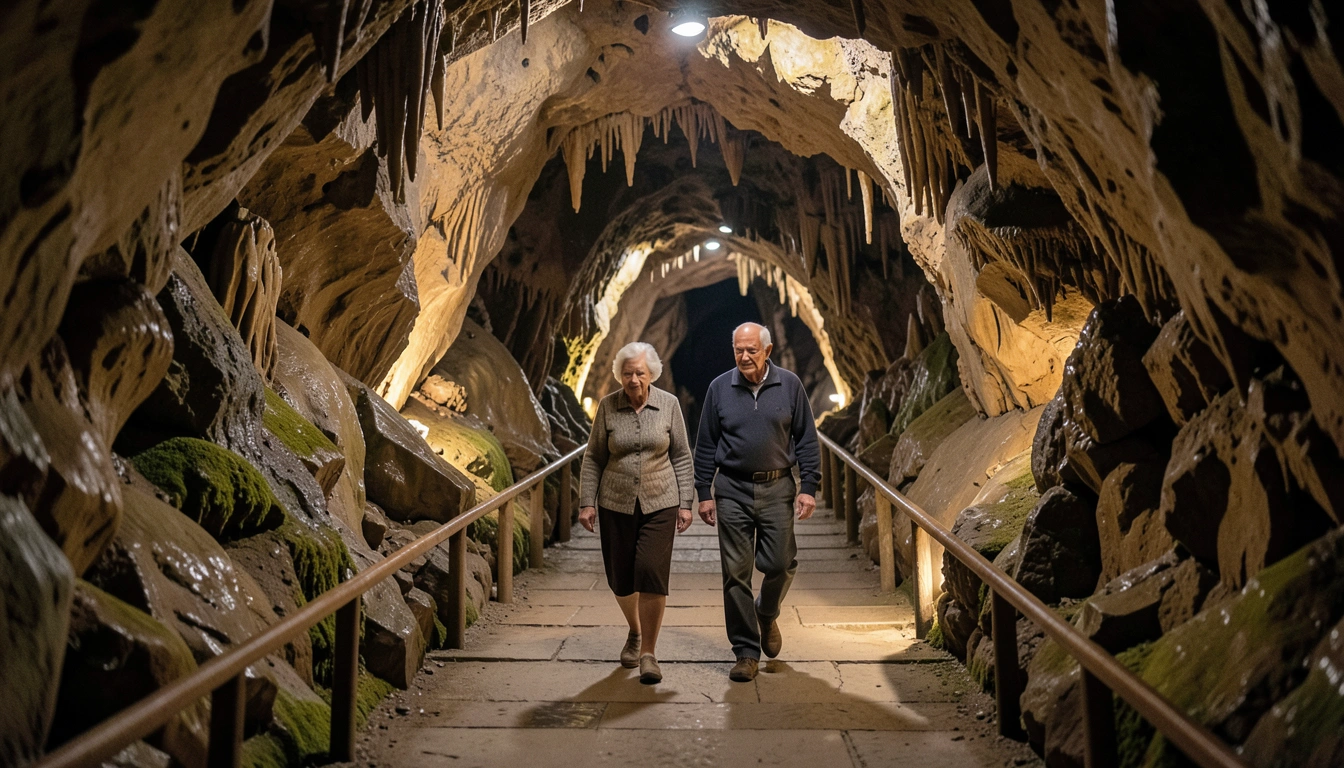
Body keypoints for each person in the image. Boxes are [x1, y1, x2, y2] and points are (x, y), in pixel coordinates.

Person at [694, 322, 820, 682]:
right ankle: (746, 651)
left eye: (751, 349)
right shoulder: (719, 388)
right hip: (731, 488)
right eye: (738, 350)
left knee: (781, 562)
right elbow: (705, 443)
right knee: (736, 574)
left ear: (767, 351)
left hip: (778, 487)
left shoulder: (790, 385)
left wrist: (808, 486)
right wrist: (704, 492)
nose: (744, 356)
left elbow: (807, 439)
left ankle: (766, 611)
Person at [578, 342, 694, 685]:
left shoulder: (669, 405)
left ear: (651, 374)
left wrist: (685, 502)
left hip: (661, 500)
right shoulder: (608, 407)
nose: (633, 379)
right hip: (615, 502)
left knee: (650, 572)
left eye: (639, 373)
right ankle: (634, 629)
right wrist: (587, 501)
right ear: (620, 375)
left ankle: (648, 653)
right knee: (621, 578)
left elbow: (683, 456)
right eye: (627, 373)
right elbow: (594, 457)